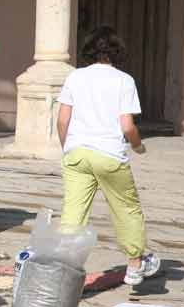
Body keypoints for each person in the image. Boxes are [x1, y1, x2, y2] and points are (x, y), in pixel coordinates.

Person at [57, 26, 161, 286]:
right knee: (126, 208)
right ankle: (135, 265)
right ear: (117, 52)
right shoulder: (124, 80)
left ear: (88, 51)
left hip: (77, 153)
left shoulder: (75, 77)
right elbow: (127, 127)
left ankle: (63, 270)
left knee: (73, 212)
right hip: (109, 155)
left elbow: (62, 120)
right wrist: (138, 146)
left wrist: (67, 147)